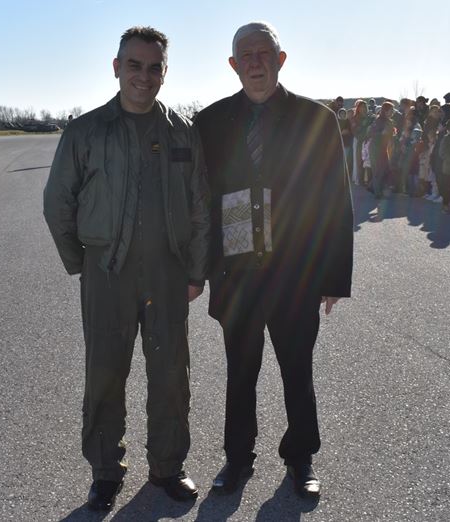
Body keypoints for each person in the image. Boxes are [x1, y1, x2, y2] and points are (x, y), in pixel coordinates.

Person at [43, 26, 210, 511]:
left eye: (154, 67)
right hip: (107, 272)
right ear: (117, 68)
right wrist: (83, 263)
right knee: (105, 374)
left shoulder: (182, 131)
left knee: (171, 375)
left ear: (165, 72)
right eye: (134, 65)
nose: (144, 75)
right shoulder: (86, 131)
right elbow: (57, 203)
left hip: (167, 272)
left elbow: (200, 205)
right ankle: (105, 470)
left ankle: (168, 465)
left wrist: (196, 272)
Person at [194, 21, 354, 499]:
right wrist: (197, 271)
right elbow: (199, 203)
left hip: (295, 274)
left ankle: (300, 457)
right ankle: (237, 458)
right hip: (236, 275)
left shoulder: (316, 120)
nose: (256, 62)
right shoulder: (210, 122)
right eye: (246, 55)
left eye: (264, 53)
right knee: (240, 373)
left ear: (281, 60)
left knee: (296, 371)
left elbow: (335, 200)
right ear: (233, 65)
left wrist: (333, 277)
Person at [368, 101, 397, 198]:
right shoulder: (378, 121)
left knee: (385, 169)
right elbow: (371, 133)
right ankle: (377, 193)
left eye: (393, 110)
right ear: (385, 111)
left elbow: (391, 135)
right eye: (391, 110)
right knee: (378, 170)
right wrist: (381, 133)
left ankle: (372, 186)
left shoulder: (390, 122)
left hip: (383, 148)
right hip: (375, 148)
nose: (392, 112)